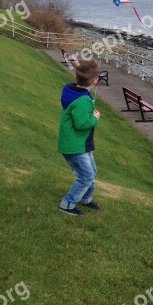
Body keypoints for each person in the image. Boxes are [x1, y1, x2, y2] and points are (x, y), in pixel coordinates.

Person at [58, 59, 101, 216]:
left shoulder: (73, 91)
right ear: (95, 81)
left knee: (91, 172)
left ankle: (85, 198)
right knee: (86, 175)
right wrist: (95, 118)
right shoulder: (82, 100)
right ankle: (67, 204)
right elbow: (81, 124)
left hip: (82, 144)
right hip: (75, 146)